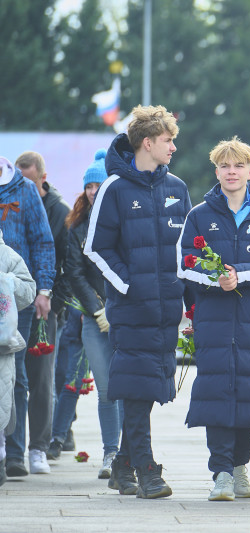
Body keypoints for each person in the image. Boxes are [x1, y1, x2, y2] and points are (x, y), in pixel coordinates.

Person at [84, 104, 192, 499]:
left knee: (145, 390)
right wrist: (128, 286)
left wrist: (189, 303)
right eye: (168, 141)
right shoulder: (114, 188)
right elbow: (95, 248)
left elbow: (187, 252)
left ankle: (122, 465)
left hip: (166, 313)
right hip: (130, 311)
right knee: (133, 388)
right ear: (147, 143)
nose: (173, 148)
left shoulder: (178, 189)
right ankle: (146, 469)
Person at [178, 137, 250, 501]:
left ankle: (241, 468)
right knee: (216, 395)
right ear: (217, 171)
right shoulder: (199, 214)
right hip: (214, 323)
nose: (232, 171)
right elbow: (183, 264)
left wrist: (239, 274)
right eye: (225, 166)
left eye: (238, 165)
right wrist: (215, 279)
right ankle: (222, 474)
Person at [52, 149, 124, 479]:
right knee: (107, 388)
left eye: (100, 185)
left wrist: (117, 307)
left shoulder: (124, 220)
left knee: (130, 387)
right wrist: (97, 309)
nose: (94, 191)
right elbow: (73, 272)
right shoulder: (77, 227)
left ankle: (128, 451)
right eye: (90, 186)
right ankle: (110, 453)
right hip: (93, 318)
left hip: (125, 313)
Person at [0, 156, 55, 479]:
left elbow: (42, 241)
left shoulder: (24, 190)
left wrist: (43, 289)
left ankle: (15, 450)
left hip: (14, 299)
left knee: (15, 374)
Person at [0, 228, 37, 487]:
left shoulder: (7, 255)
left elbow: (29, 289)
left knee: (2, 401)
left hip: (1, 345)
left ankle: (1, 456)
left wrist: (10, 283)